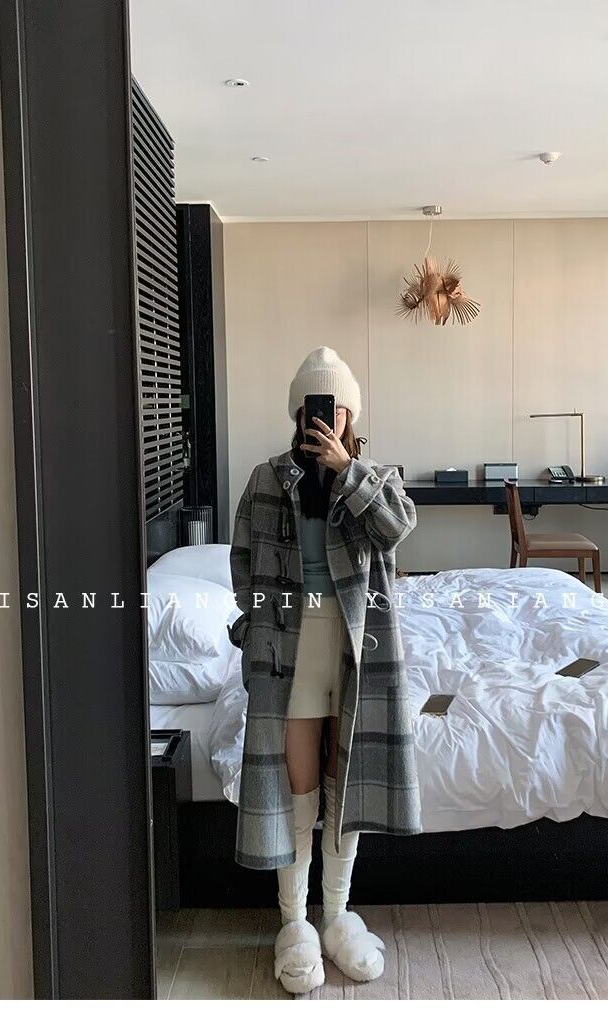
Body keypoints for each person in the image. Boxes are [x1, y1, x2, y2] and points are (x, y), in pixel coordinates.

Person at [228, 347, 421, 994]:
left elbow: (397, 530)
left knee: (344, 792)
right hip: (289, 652)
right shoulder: (266, 478)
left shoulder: (376, 476)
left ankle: (336, 917)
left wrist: (348, 473)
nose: (327, 415)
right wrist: (256, 622)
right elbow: (242, 559)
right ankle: (294, 923)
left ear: (350, 414)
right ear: (298, 412)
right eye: (317, 404)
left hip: (356, 650)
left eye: (336, 406)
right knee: (298, 791)